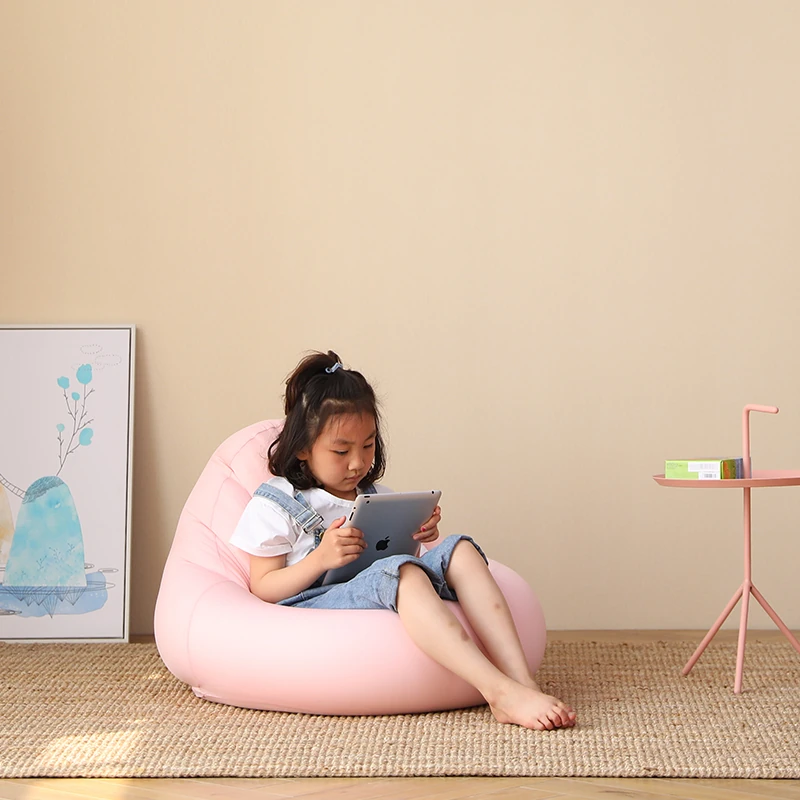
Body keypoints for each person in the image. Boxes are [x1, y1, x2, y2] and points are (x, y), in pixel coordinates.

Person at [230, 350, 576, 731]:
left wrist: (421, 534)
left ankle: (522, 681)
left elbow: (397, 553)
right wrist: (319, 559)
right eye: (341, 451)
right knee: (402, 574)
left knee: (460, 548)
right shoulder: (277, 503)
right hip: (317, 598)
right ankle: (498, 691)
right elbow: (263, 586)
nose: (357, 463)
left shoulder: (375, 495)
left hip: (383, 581)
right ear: (302, 447)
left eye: (368, 445)